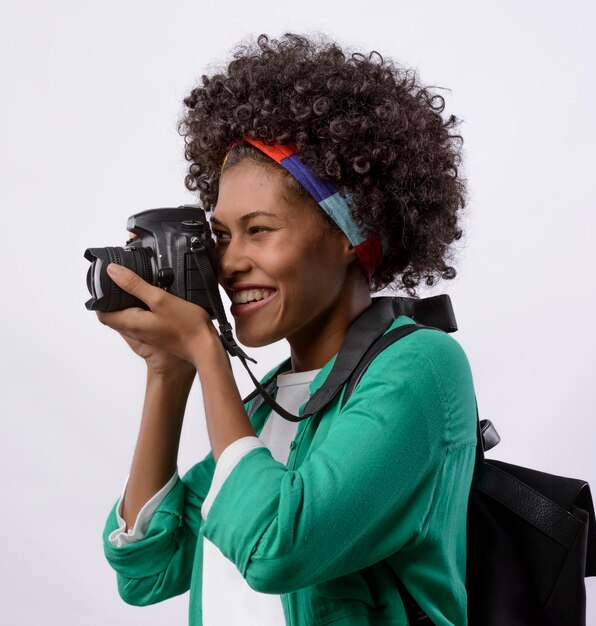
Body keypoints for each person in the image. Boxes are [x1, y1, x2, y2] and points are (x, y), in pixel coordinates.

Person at [98, 33, 477, 626]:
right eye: (222, 235)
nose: (228, 263)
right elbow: (148, 571)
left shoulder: (421, 369)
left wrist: (206, 348)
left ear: (353, 234)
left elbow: (278, 546)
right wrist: (168, 370)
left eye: (260, 230)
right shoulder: (265, 409)